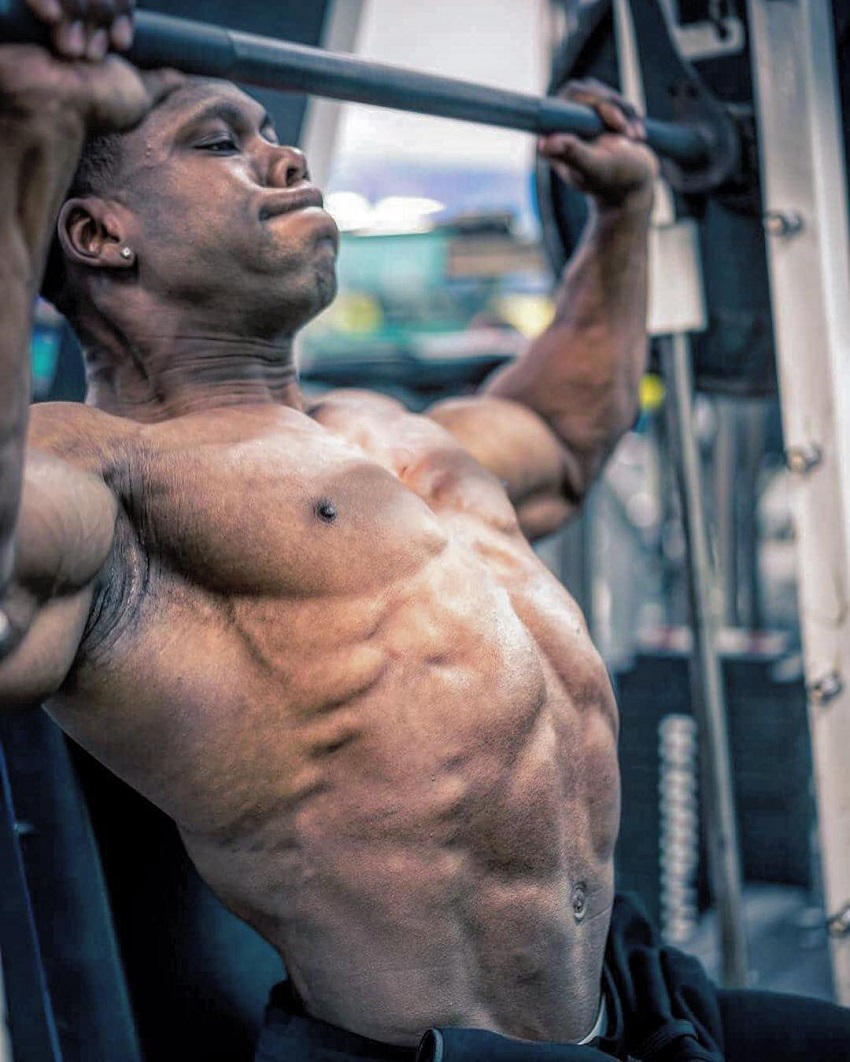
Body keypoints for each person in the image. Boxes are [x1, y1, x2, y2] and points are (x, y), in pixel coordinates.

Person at [2, 4, 850, 1061]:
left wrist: (624, 212)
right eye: (220, 141)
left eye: (271, 130)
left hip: (637, 1003)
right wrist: (27, 136)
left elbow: (562, 428)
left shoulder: (383, 430)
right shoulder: (106, 474)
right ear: (97, 234)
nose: (280, 153)